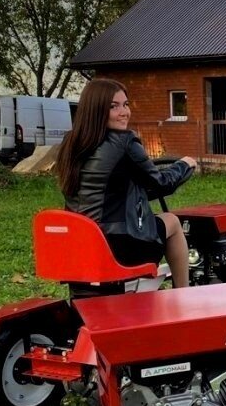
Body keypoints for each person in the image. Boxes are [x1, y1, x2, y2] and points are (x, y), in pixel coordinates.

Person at [56, 78, 197, 288]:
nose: (124, 112)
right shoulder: (124, 142)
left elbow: (107, 193)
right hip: (118, 245)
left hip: (81, 245)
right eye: (114, 106)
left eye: (126, 104)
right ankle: (184, 294)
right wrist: (185, 164)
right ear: (96, 110)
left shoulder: (72, 143)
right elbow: (161, 184)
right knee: (173, 222)